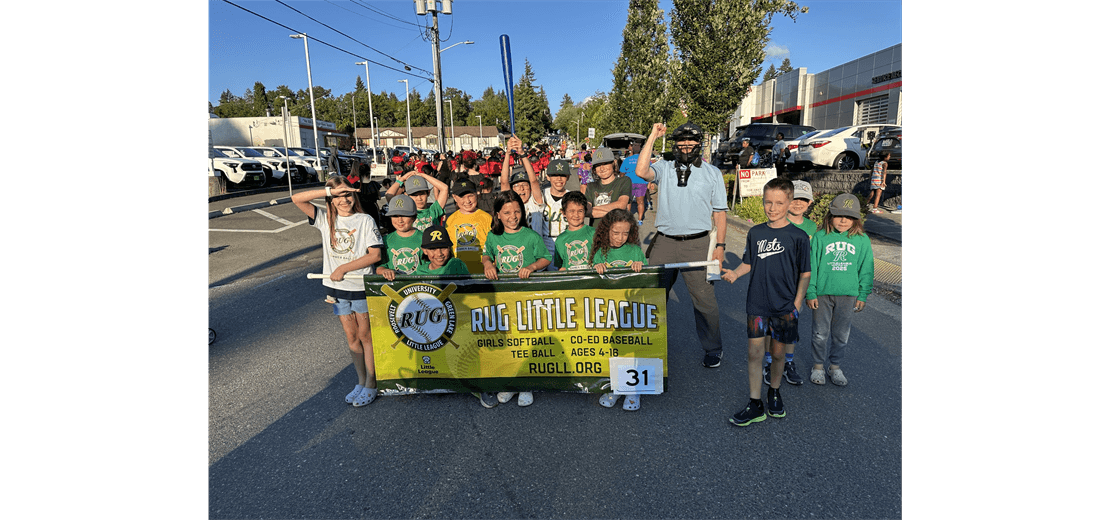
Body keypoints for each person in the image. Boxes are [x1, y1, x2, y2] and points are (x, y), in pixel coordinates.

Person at [720, 178, 811, 427]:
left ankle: (774, 390)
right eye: (768, 202)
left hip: (785, 306)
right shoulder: (756, 232)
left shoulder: (799, 237)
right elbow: (749, 262)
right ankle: (755, 402)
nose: (772, 208)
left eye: (779, 203)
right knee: (754, 353)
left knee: (779, 354)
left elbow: (805, 273)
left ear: (790, 202)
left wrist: (798, 302)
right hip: (757, 303)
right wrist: (735, 273)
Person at [636, 122, 728, 368]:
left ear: (700, 144)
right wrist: (653, 135)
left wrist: (720, 246)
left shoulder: (713, 173)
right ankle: (648, 343)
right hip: (665, 242)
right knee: (652, 296)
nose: (686, 145)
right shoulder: (664, 168)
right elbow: (641, 170)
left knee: (704, 300)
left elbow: (719, 213)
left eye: (691, 141)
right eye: (681, 141)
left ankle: (713, 348)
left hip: (698, 244)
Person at [291, 176, 384, 407]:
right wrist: (329, 190)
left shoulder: (365, 220)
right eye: (339, 196)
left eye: (348, 195)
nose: (344, 200)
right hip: (337, 289)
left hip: (360, 286)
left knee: (366, 336)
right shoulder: (325, 219)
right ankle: (361, 380)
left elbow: (375, 255)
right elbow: (296, 198)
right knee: (352, 338)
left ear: (355, 196)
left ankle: (372, 381)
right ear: (331, 200)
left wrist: (344, 267)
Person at [481, 190, 552, 408]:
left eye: (517, 211)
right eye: (507, 212)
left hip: (526, 298)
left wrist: (531, 266)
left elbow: (546, 258)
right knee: (507, 342)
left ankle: (526, 383)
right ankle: (510, 381)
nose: (513, 216)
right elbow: (486, 253)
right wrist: (487, 264)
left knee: (526, 341)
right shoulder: (493, 236)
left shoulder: (531, 236)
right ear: (498, 215)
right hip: (503, 298)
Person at [806, 193, 874, 386]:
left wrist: (863, 294)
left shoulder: (862, 240)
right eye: (839, 215)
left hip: (848, 294)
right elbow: (812, 266)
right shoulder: (820, 237)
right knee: (820, 333)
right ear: (830, 215)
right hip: (822, 293)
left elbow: (866, 269)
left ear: (856, 219)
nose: (844, 220)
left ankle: (834, 366)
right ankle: (818, 365)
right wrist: (810, 292)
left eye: (850, 216)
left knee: (841, 334)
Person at [587, 209, 647, 411]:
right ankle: (615, 386)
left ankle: (632, 389)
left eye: (625, 233)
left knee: (631, 350)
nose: (621, 238)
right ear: (606, 231)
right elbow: (592, 280)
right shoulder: (599, 252)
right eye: (616, 233)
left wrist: (641, 267)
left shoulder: (635, 251)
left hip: (631, 309)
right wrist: (597, 269)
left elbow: (648, 279)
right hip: (608, 311)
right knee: (612, 350)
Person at [763, 180, 818, 387]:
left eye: (803, 200)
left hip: (797, 286)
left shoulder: (812, 227)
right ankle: (769, 362)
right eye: (794, 199)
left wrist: (809, 290)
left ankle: (788, 362)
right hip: (775, 284)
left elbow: (812, 260)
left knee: (791, 325)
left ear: (810, 202)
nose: (798, 204)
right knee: (771, 326)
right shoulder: (776, 221)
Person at [444, 178, 492, 275]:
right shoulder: (451, 220)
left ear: (477, 194)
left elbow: (493, 245)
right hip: (458, 273)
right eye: (462, 197)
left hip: (483, 273)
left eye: (470, 195)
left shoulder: (487, 218)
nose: (467, 200)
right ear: (454, 197)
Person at [375, 194, 423, 280]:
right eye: (395, 216)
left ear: (414, 217)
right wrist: (384, 271)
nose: (400, 220)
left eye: (404, 215)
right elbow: (379, 267)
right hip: (395, 288)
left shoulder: (423, 238)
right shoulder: (385, 240)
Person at [385, 169, 449, 231]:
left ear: (428, 193)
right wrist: (402, 179)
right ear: (407, 195)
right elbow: (388, 195)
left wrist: (423, 175)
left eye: (422, 194)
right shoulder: (406, 212)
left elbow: (444, 188)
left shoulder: (434, 209)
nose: (419, 198)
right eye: (414, 195)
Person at [582, 146, 631, 226]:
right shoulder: (591, 186)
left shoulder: (624, 181)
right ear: (594, 169)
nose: (602, 168)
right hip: (595, 233)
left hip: (617, 233)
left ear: (614, 163)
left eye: (605, 163)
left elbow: (621, 205)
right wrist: (615, 212)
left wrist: (594, 210)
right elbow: (587, 211)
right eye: (598, 165)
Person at [554, 191, 594, 271]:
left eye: (580, 211)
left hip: (592, 281)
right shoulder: (560, 240)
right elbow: (561, 267)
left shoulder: (594, 233)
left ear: (585, 212)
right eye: (571, 211)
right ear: (563, 212)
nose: (576, 215)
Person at [620, 142, 650, 225]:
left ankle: (628, 218)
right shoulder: (645, 160)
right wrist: (650, 182)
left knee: (628, 201)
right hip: (641, 183)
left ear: (632, 150)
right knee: (640, 202)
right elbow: (650, 171)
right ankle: (640, 220)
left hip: (629, 183)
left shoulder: (627, 160)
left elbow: (622, 173)